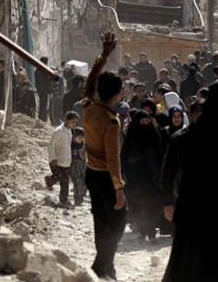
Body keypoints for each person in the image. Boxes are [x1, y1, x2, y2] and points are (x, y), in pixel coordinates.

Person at [161, 80, 218, 282]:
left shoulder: (185, 137)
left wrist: (168, 201)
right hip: (211, 209)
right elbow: (167, 172)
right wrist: (168, 201)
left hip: (203, 209)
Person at [81, 33, 126, 280]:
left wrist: (104, 56)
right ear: (117, 95)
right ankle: (101, 265)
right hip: (107, 178)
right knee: (118, 222)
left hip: (91, 173)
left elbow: (90, 82)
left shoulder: (88, 107)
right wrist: (119, 188)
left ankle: (107, 267)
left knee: (101, 221)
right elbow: (113, 159)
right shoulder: (111, 121)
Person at [121, 111, 164, 243]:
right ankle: (143, 231)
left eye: (147, 122)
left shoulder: (155, 137)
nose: (145, 125)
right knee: (139, 206)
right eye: (142, 122)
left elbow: (161, 156)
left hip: (153, 179)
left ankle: (151, 233)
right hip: (136, 181)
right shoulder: (131, 139)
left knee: (152, 205)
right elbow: (124, 159)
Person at [45, 111, 80, 208]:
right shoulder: (59, 131)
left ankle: (64, 201)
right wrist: (53, 157)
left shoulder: (70, 131)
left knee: (65, 183)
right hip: (56, 160)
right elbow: (51, 145)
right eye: (73, 122)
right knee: (58, 176)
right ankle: (49, 180)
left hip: (66, 161)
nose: (74, 124)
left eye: (76, 122)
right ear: (66, 120)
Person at [71, 126, 87, 206]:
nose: (81, 139)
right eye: (79, 137)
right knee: (77, 182)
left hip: (83, 165)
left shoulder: (84, 145)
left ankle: (81, 196)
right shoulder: (70, 145)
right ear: (74, 136)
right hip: (74, 166)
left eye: (82, 137)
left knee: (85, 182)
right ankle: (78, 200)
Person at [35, 56, 52, 122]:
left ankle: (41, 117)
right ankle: (43, 118)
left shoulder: (37, 70)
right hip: (45, 90)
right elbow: (48, 81)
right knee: (44, 104)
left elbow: (37, 81)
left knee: (42, 103)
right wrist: (50, 90)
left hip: (40, 89)